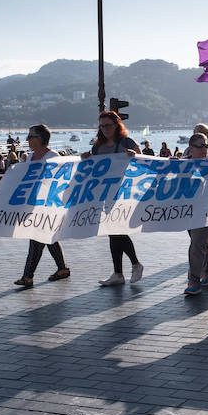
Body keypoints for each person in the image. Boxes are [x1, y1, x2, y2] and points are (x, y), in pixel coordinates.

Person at [81, 111, 144, 286]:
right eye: (101, 126)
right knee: (113, 232)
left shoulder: (126, 142)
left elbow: (144, 162)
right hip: (104, 194)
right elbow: (95, 168)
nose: (104, 129)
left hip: (123, 193)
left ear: (116, 124)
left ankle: (133, 265)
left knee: (117, 230)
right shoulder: (97, 147)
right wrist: (87, 159)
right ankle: (120, 272)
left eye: (107, 125)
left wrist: (135, 156)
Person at [13, 125, 70, 288]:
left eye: (31, 137)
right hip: (33, 205)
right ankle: (62, 268)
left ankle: (27, 276)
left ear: (40, 139)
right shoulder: (29, 157)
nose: (28, 140)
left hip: (50, 206)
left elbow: (61, 180)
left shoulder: (53, 156)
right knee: (49, 238)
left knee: (37, 237)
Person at [183, 133, 208, 295]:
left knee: (196, 245)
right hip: (188, 210)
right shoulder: (183, 164)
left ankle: (193, 281)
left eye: (206, 145)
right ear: (191, 148)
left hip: (206, 211)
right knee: (199, 243)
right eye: (200, 146)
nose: (204, 149)